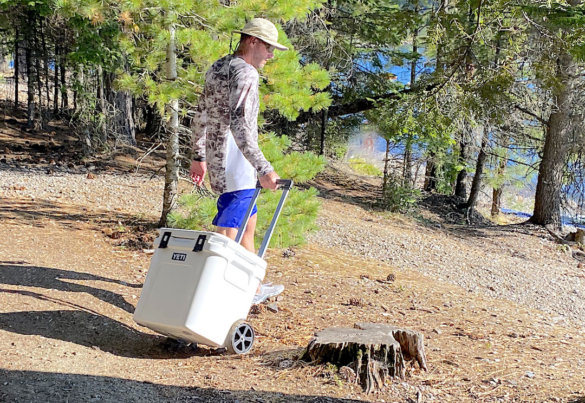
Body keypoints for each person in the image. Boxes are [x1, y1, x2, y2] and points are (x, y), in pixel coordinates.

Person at [189, 18, 287, 304]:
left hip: (221, 161)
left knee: (248, 222)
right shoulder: (247, 74)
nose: (271, 55)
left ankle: (253, 287)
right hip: (238, 163)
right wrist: (264, 168)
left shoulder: (217, 67)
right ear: (252, 42)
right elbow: (241, 126)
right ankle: (209, 297)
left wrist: (199, 155)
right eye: (269, 48)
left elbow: (200, 115)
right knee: (229, 229)